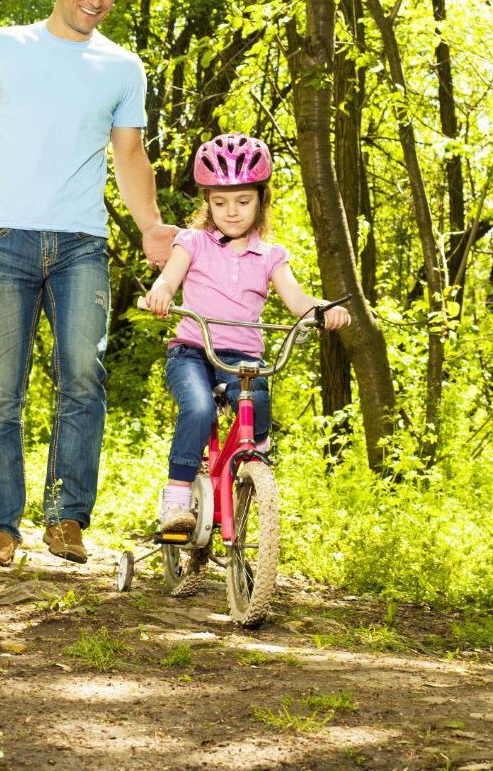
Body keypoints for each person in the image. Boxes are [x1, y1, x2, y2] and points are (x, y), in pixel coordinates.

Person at [0, 0, 175, 567]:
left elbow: (129, 153)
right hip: (6, 236)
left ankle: (66, 520)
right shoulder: (6, 45)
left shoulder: (123, 67)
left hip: (81, 244)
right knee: (0, 389)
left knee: (83, 382)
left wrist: (149, 225)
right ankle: (0, 527)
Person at [140, 133, 349, 536]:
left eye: (242, 201)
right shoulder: (193, 242)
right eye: (220, 203)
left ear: (261, 199)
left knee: (260, 401)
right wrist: (161, 293)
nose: (231, 212)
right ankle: (177, 499)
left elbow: (297, 300)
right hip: (192, 352)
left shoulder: (271, 256)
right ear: (208, 203)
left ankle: (253, 468)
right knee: (199, 408)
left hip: (242, 358)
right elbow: (168, 279)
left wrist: (324, 310)